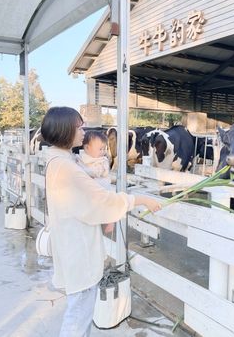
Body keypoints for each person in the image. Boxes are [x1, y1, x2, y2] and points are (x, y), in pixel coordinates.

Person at [41, 106, 161, 337]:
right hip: (78, 249)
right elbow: (101, 201)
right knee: (78, 317)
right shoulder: (66, 167)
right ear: (65, 129)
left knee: (79, 312)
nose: (83, 131)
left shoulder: (60, 161)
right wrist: (141, 199)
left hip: (71, 244)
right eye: (79, 126)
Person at [76, 130, 114, 234]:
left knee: (107, 202)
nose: (103, 152)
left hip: (101, 185)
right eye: (100, 149)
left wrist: (82, 172)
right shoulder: (81, 157)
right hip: (89, 187)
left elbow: (97, 172)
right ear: (87, 148)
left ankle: (110, 221)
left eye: (104, 148)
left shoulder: (103, 160)